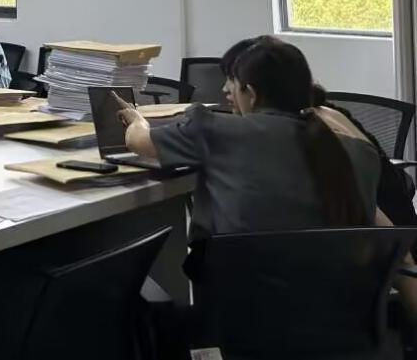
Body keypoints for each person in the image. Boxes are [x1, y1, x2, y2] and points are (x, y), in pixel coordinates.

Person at [116, 36, 379, 254]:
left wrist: (137, 120)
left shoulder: (215, 130)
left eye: (233, 81)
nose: (225, 89)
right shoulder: (360, 152)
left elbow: (137, 141)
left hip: (239, 295)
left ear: (251, 94)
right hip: (339, 298)